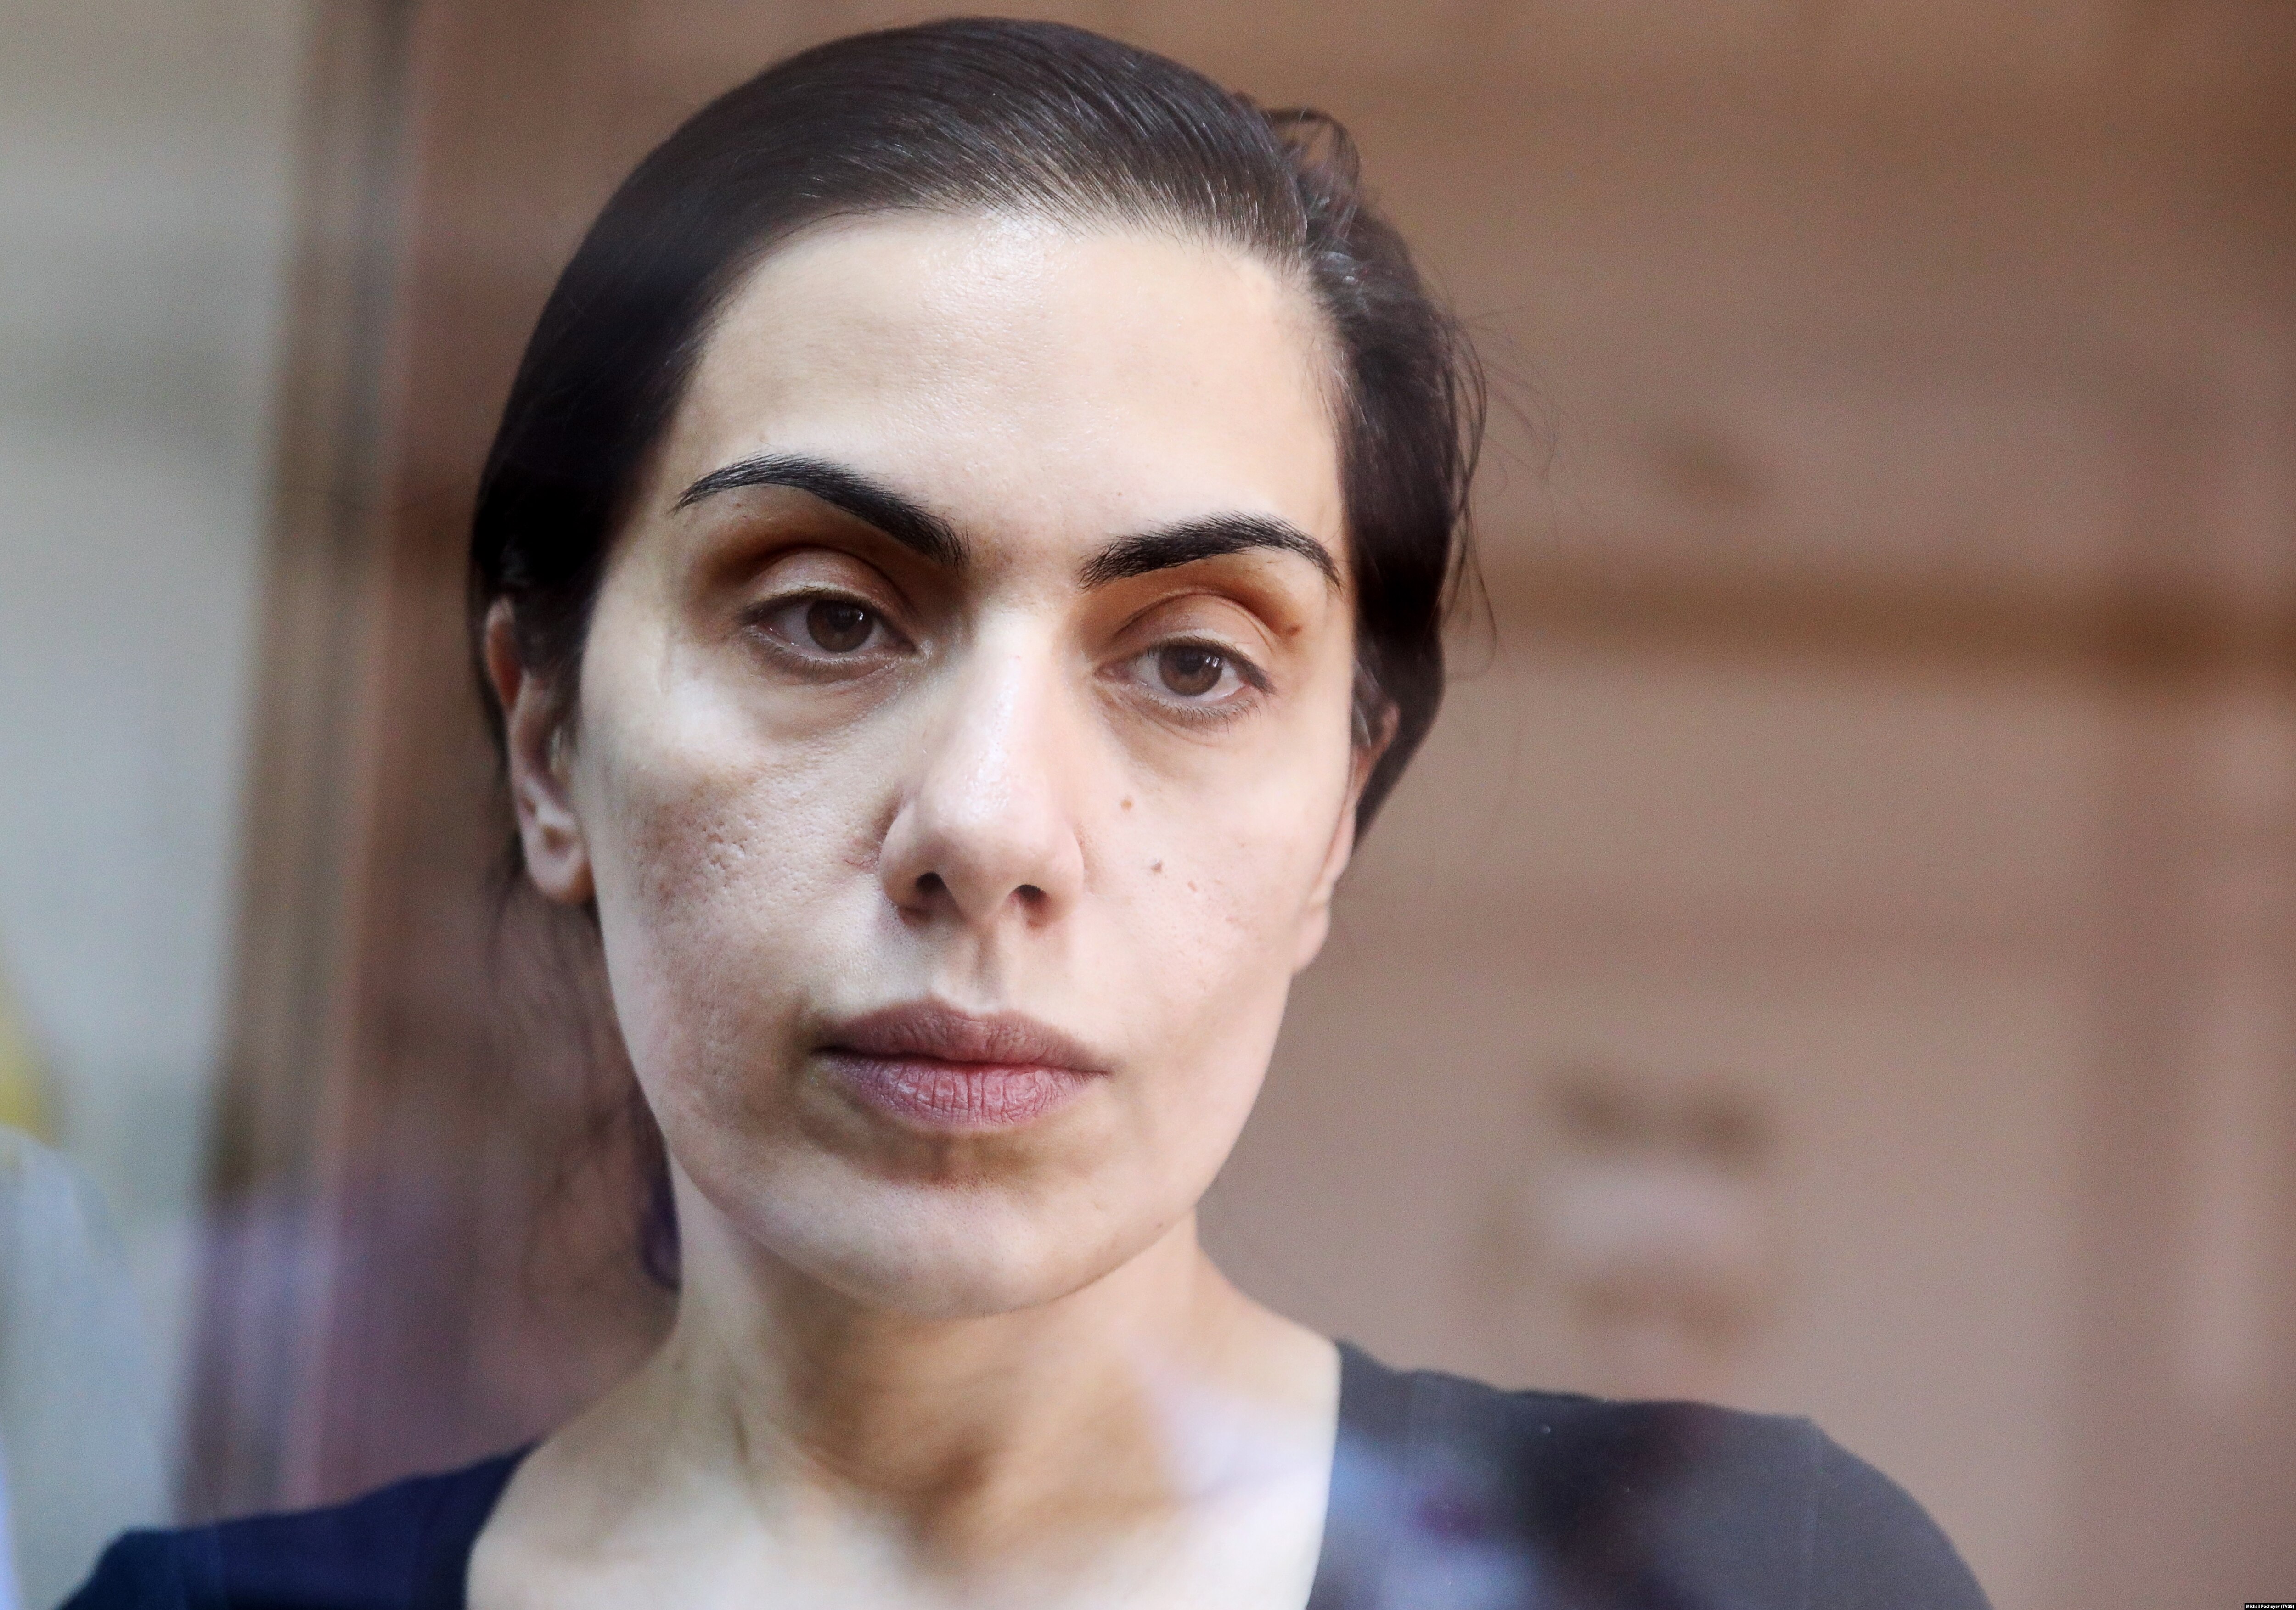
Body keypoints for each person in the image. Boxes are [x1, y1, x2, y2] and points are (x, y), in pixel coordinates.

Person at [69, 19, 1989, 1609]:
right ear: (547, 741)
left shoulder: (1757, 1582)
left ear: (1340, 809)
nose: (987, 828)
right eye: (825, 616)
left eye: (1191, 662)